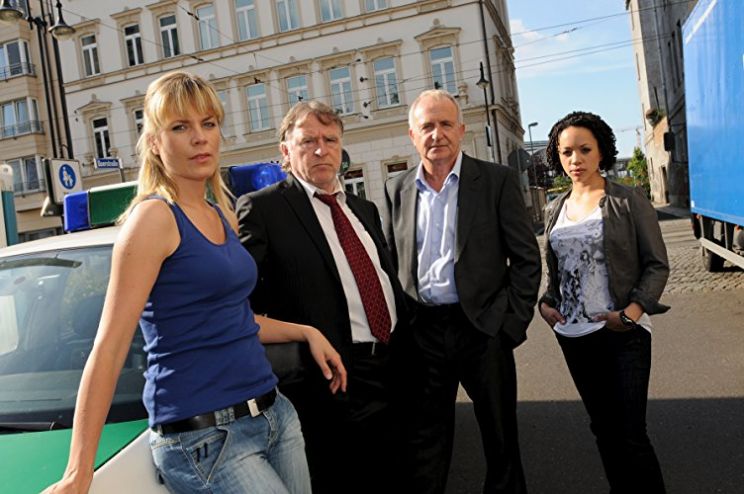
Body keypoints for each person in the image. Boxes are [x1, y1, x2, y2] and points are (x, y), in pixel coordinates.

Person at [45, 71, 347, 494]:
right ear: (155, 142)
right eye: (180, 127)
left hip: (274, 415)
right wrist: (79, 472)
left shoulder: (220, 214)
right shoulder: (153, 219)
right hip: (204, 438)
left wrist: (305, 331)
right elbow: (110, 346)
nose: (200, 138)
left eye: (208, 123)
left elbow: (232, 319)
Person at [236, 100, 409, 494]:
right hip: (328, 383)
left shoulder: (364, 209)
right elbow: (240, 302)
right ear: (285, 151)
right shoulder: (263, 209)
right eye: (308, 141)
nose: (321, 150)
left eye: (330, 140)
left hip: (392, 368)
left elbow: (385, 280)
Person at [382, 89, 542, 494]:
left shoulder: (495, 181)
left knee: (500, 441)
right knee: (424, 445)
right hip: (422, 334)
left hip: (482, 329)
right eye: (427, 126)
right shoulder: (395, 188)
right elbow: (389, 263)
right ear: (412, 135)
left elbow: (526, 259)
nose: (436, 134)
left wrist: (509, 325)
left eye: (445, 124)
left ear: (461, 129)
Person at [538, 111, 669, 493]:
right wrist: (546, 303)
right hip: (575, 335)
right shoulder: (554, 209)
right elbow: (559, 273)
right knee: (603, 430)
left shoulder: (627, 201)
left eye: (584, 149)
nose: (575, 159)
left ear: (601, 152)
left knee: (631, 434)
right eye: (566, 152)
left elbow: (657, 265)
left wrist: (631, 314)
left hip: (623, 333)